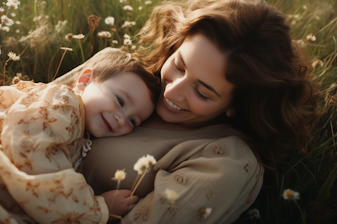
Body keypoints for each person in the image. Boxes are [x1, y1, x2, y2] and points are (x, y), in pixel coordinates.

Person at [54, 0, 318, 223]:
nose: (171, 92)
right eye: (179, 65)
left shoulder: (227, 161)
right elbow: (27, 105)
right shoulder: (117, 74)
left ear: (237, 105)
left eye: (202, 92)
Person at [0, 49, 160, 223]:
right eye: (120, 101)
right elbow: (31, 150)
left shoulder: (82, 129)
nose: (122, 118)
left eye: (133, 121)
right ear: (85, 80)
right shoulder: (64, 102)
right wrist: (95, 207)